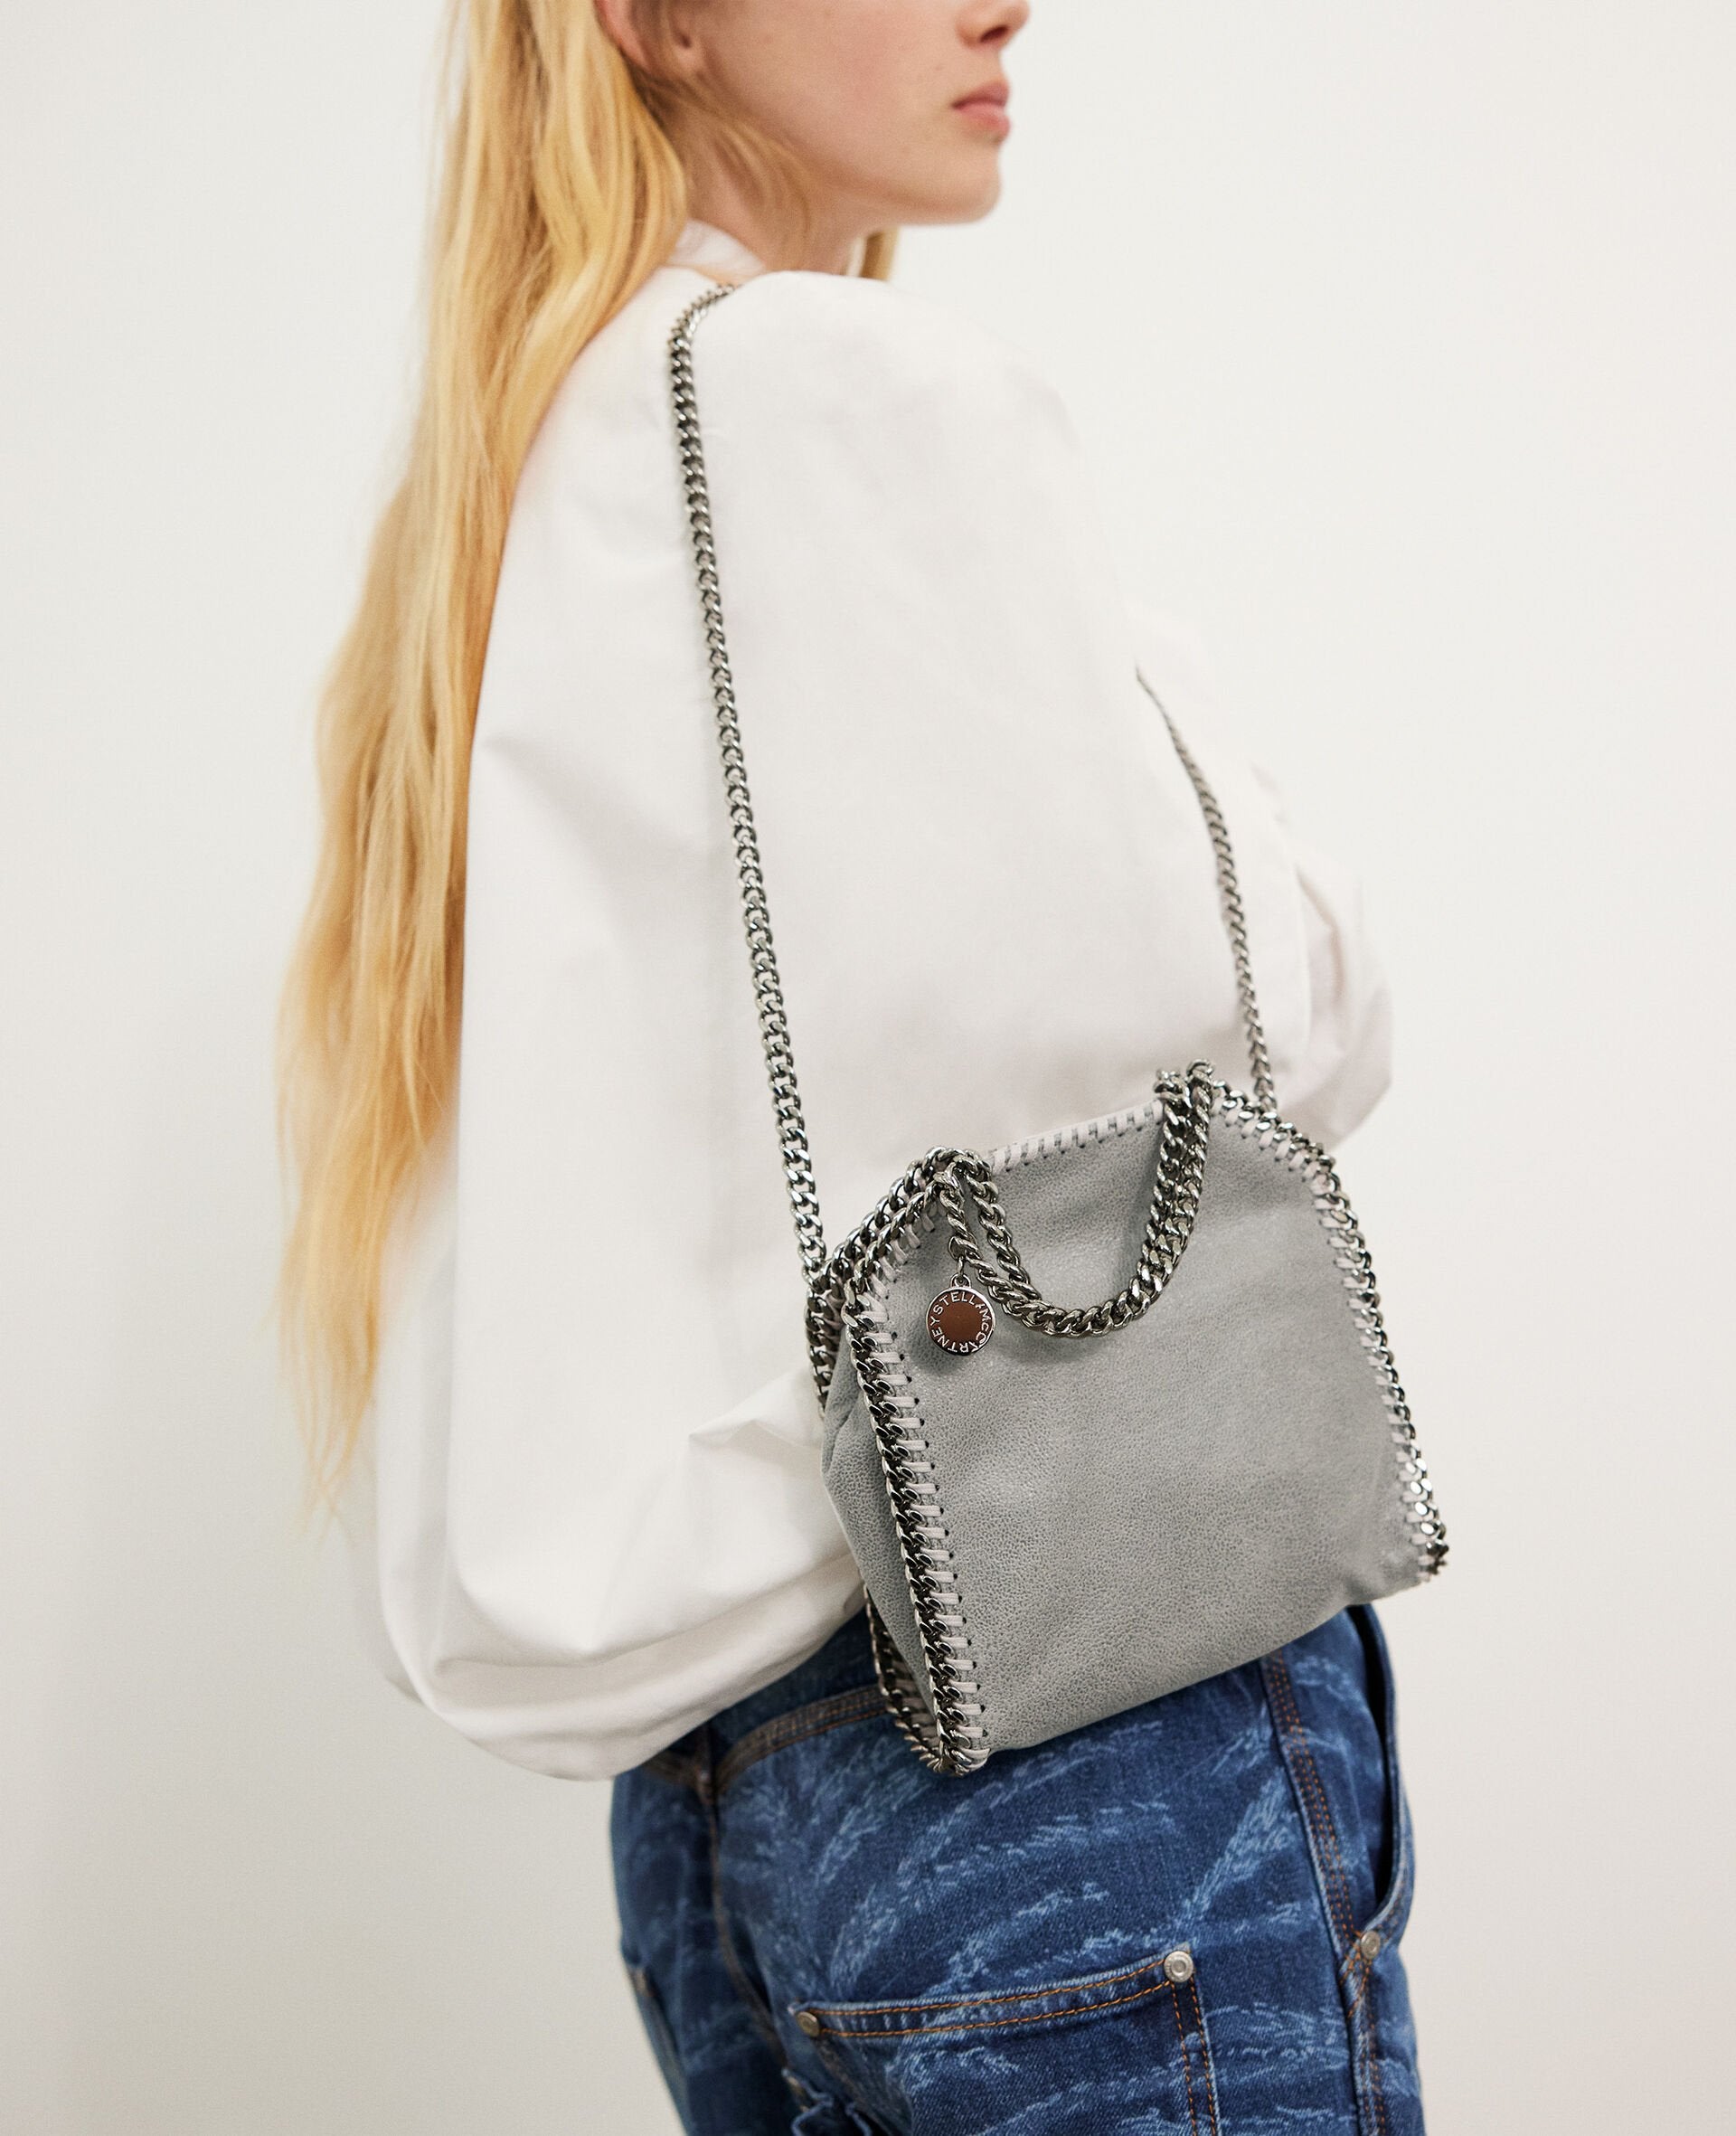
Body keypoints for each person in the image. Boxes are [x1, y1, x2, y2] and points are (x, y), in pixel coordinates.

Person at [279, 3, 1424, 2130]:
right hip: (1078, 1736)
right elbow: (1295, 1015)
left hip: (721, 1817)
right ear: (658, 22)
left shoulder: (510, 475)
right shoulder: (845, 393)